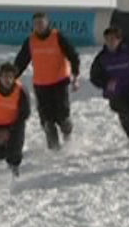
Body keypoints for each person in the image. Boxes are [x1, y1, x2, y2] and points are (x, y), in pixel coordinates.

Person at [12, 12, 82, 150]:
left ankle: (68, 136)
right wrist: (12, 78)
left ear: (47, 23)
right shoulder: (31, 41)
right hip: (41, 85)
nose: (39, 26)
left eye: (41, 23)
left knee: (62, 118)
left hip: (59, 82)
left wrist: (75, 76)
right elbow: (21, 62)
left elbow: (73, 55)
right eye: (36, 23)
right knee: (47, 121)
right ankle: (54, 150)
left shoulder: (58, 37)